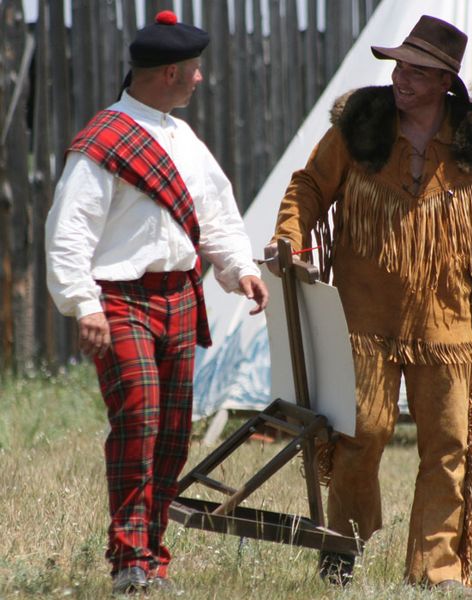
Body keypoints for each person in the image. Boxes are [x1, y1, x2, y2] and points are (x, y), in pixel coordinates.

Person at [265, 14, 472, 594]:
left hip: (447, 324)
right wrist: (288, 240)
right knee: (359, 436)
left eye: (417, 70)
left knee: (448, 446)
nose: (401, 78)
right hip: (364, 321)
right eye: (398, 65)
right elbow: (309, 187)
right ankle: (342, 550)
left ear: (446, 80)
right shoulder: (360, 127)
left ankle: (435, 572)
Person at [45, 11, 268, 595]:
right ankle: (128, 561)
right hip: (121, 300)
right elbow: (69, 229)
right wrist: (82, 303)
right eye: (193, 71)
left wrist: (239, 269)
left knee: (171, 432)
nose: (199, 80)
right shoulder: (104, 138)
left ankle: (152, 555)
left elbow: (215, 216)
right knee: (139, 421)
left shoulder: (184, 139)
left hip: (179, 297)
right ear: (171, 71)